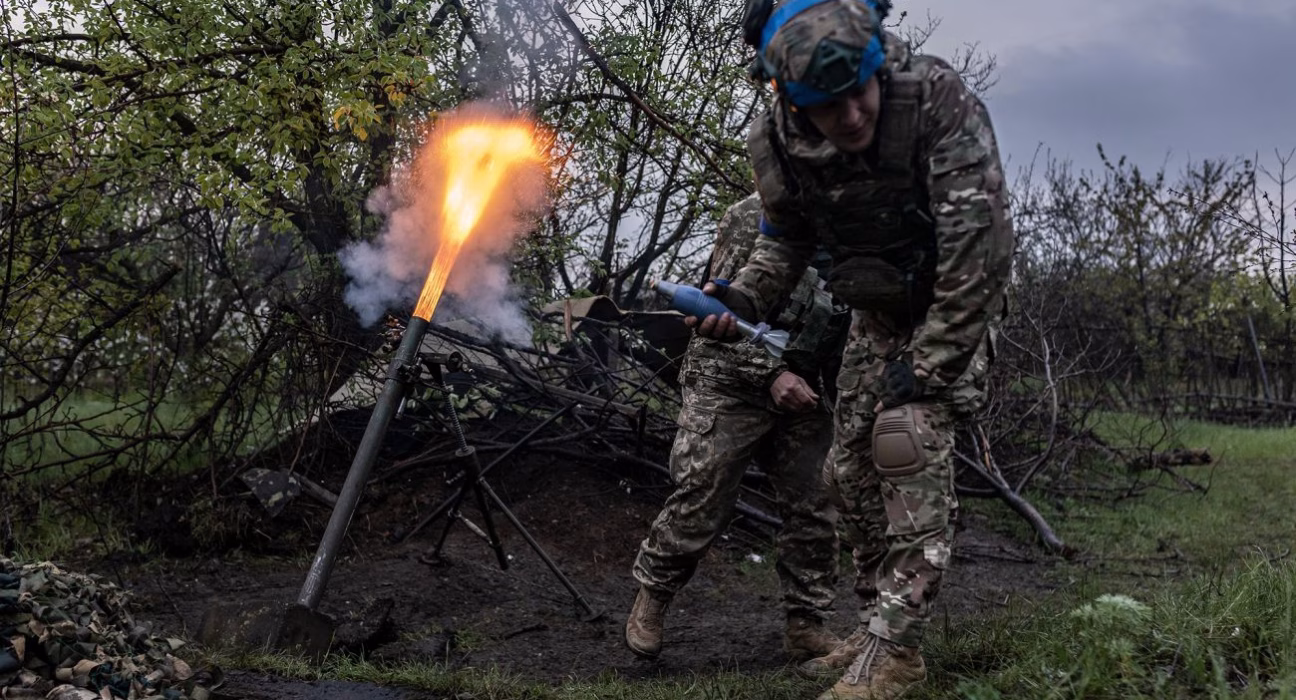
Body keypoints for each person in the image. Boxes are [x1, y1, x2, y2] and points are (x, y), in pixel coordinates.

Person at [691, 0, 1014, 697]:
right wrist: (741, 300)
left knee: (905, 441)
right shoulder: (776, 140)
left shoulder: (933, 99)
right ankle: (873, 627)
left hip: (952, 303)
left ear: (875, 63)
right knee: (848, 472)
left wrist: (928, 365)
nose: (853, 116)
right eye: (828, 107)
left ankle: (899, 652)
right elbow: (786, 239)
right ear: (792, 99)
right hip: (875, 311)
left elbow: (978, 254)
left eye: (858, 93)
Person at [625, 194, 850, 664]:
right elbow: (721, 314)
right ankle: (652, 598)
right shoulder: (754, 216)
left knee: (816, 503)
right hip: (729, 376)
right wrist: (770, 376)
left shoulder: (861, 223)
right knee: (703, 493)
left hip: (804, 383)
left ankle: (806, 625)